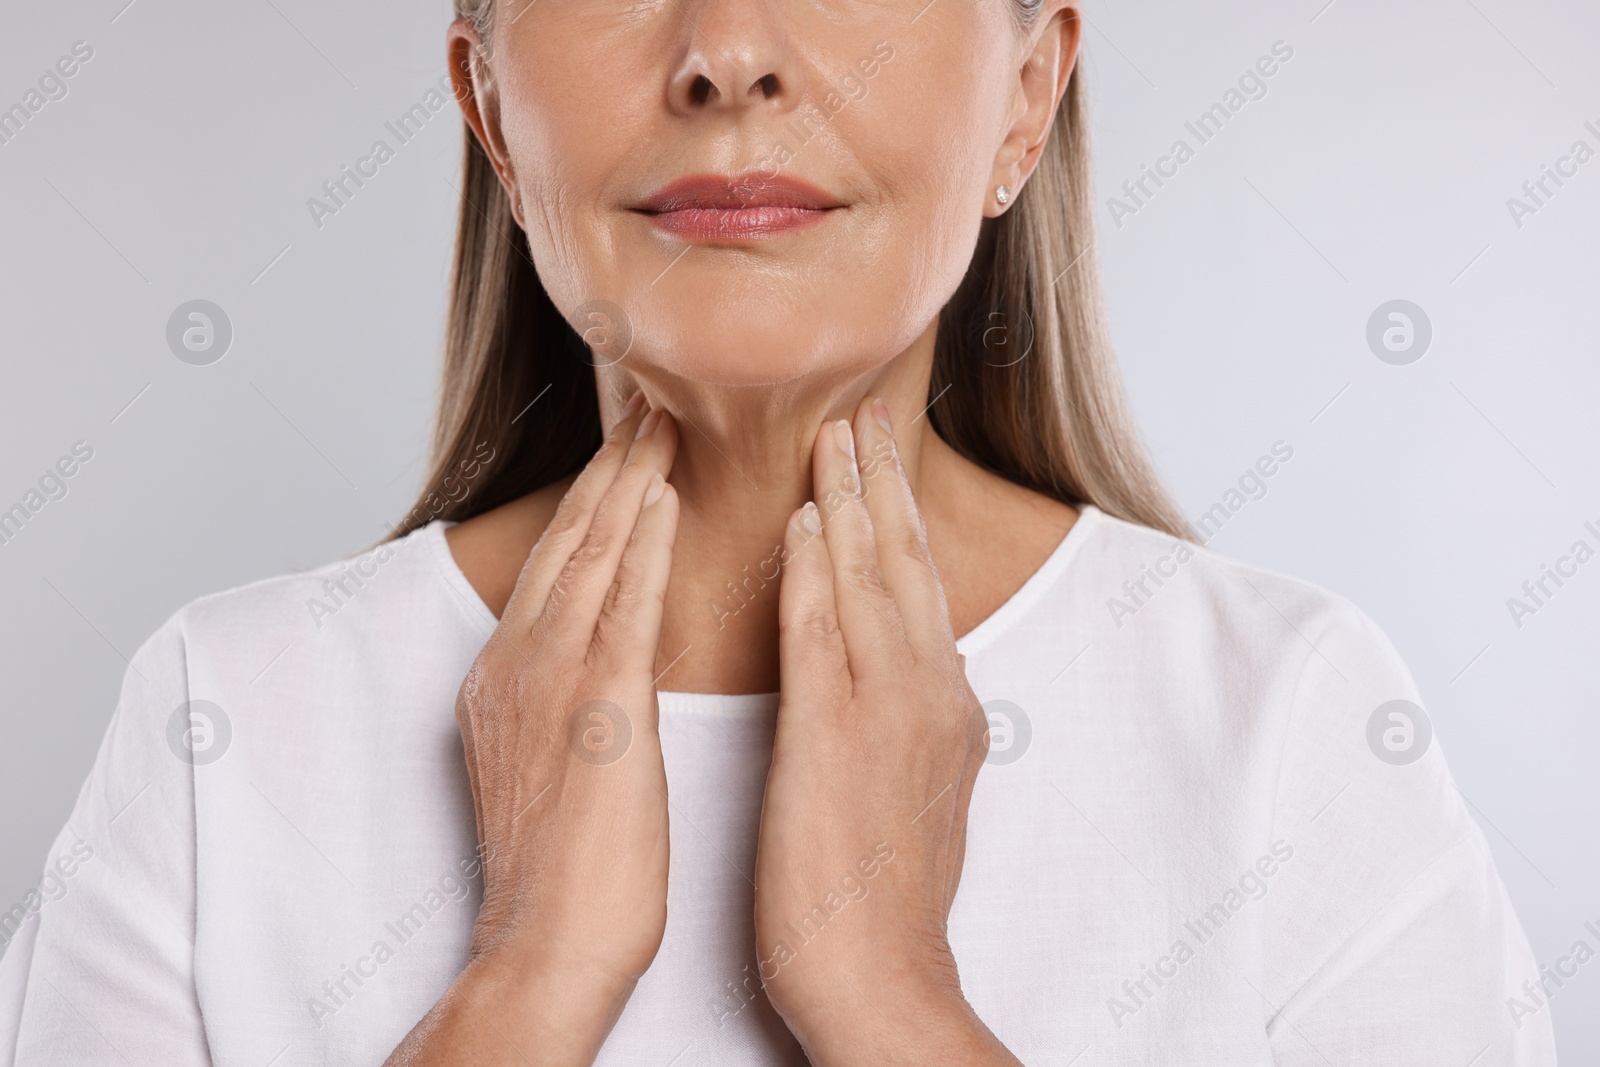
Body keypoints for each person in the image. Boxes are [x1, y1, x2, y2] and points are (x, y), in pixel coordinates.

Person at [0, 1, 1554, 1063]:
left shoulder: (1291, 717)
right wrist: (528, 985)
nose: (728, 53)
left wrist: (891, 1001)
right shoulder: (224, 717)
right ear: (487, 102)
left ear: (1027, 95)